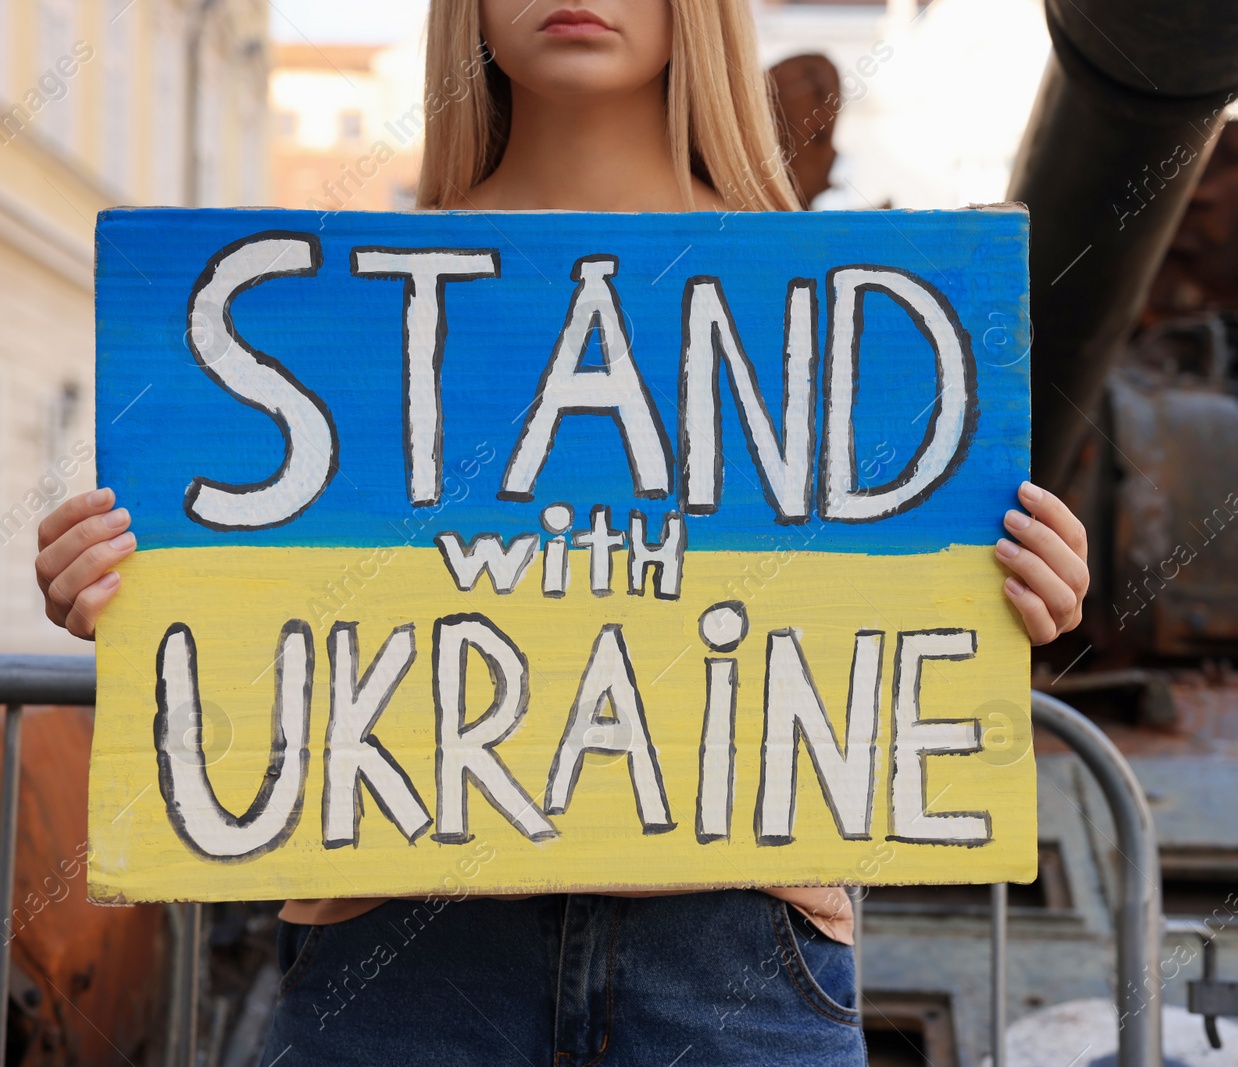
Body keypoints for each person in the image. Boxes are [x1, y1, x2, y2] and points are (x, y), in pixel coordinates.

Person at [35, 1, 1090, 1063]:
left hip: (732, 943)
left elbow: (898, 604)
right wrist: (127, 587)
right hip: (396, 943)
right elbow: (254, 612)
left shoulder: (845, 305)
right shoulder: (324, 303)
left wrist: (1019, 590)